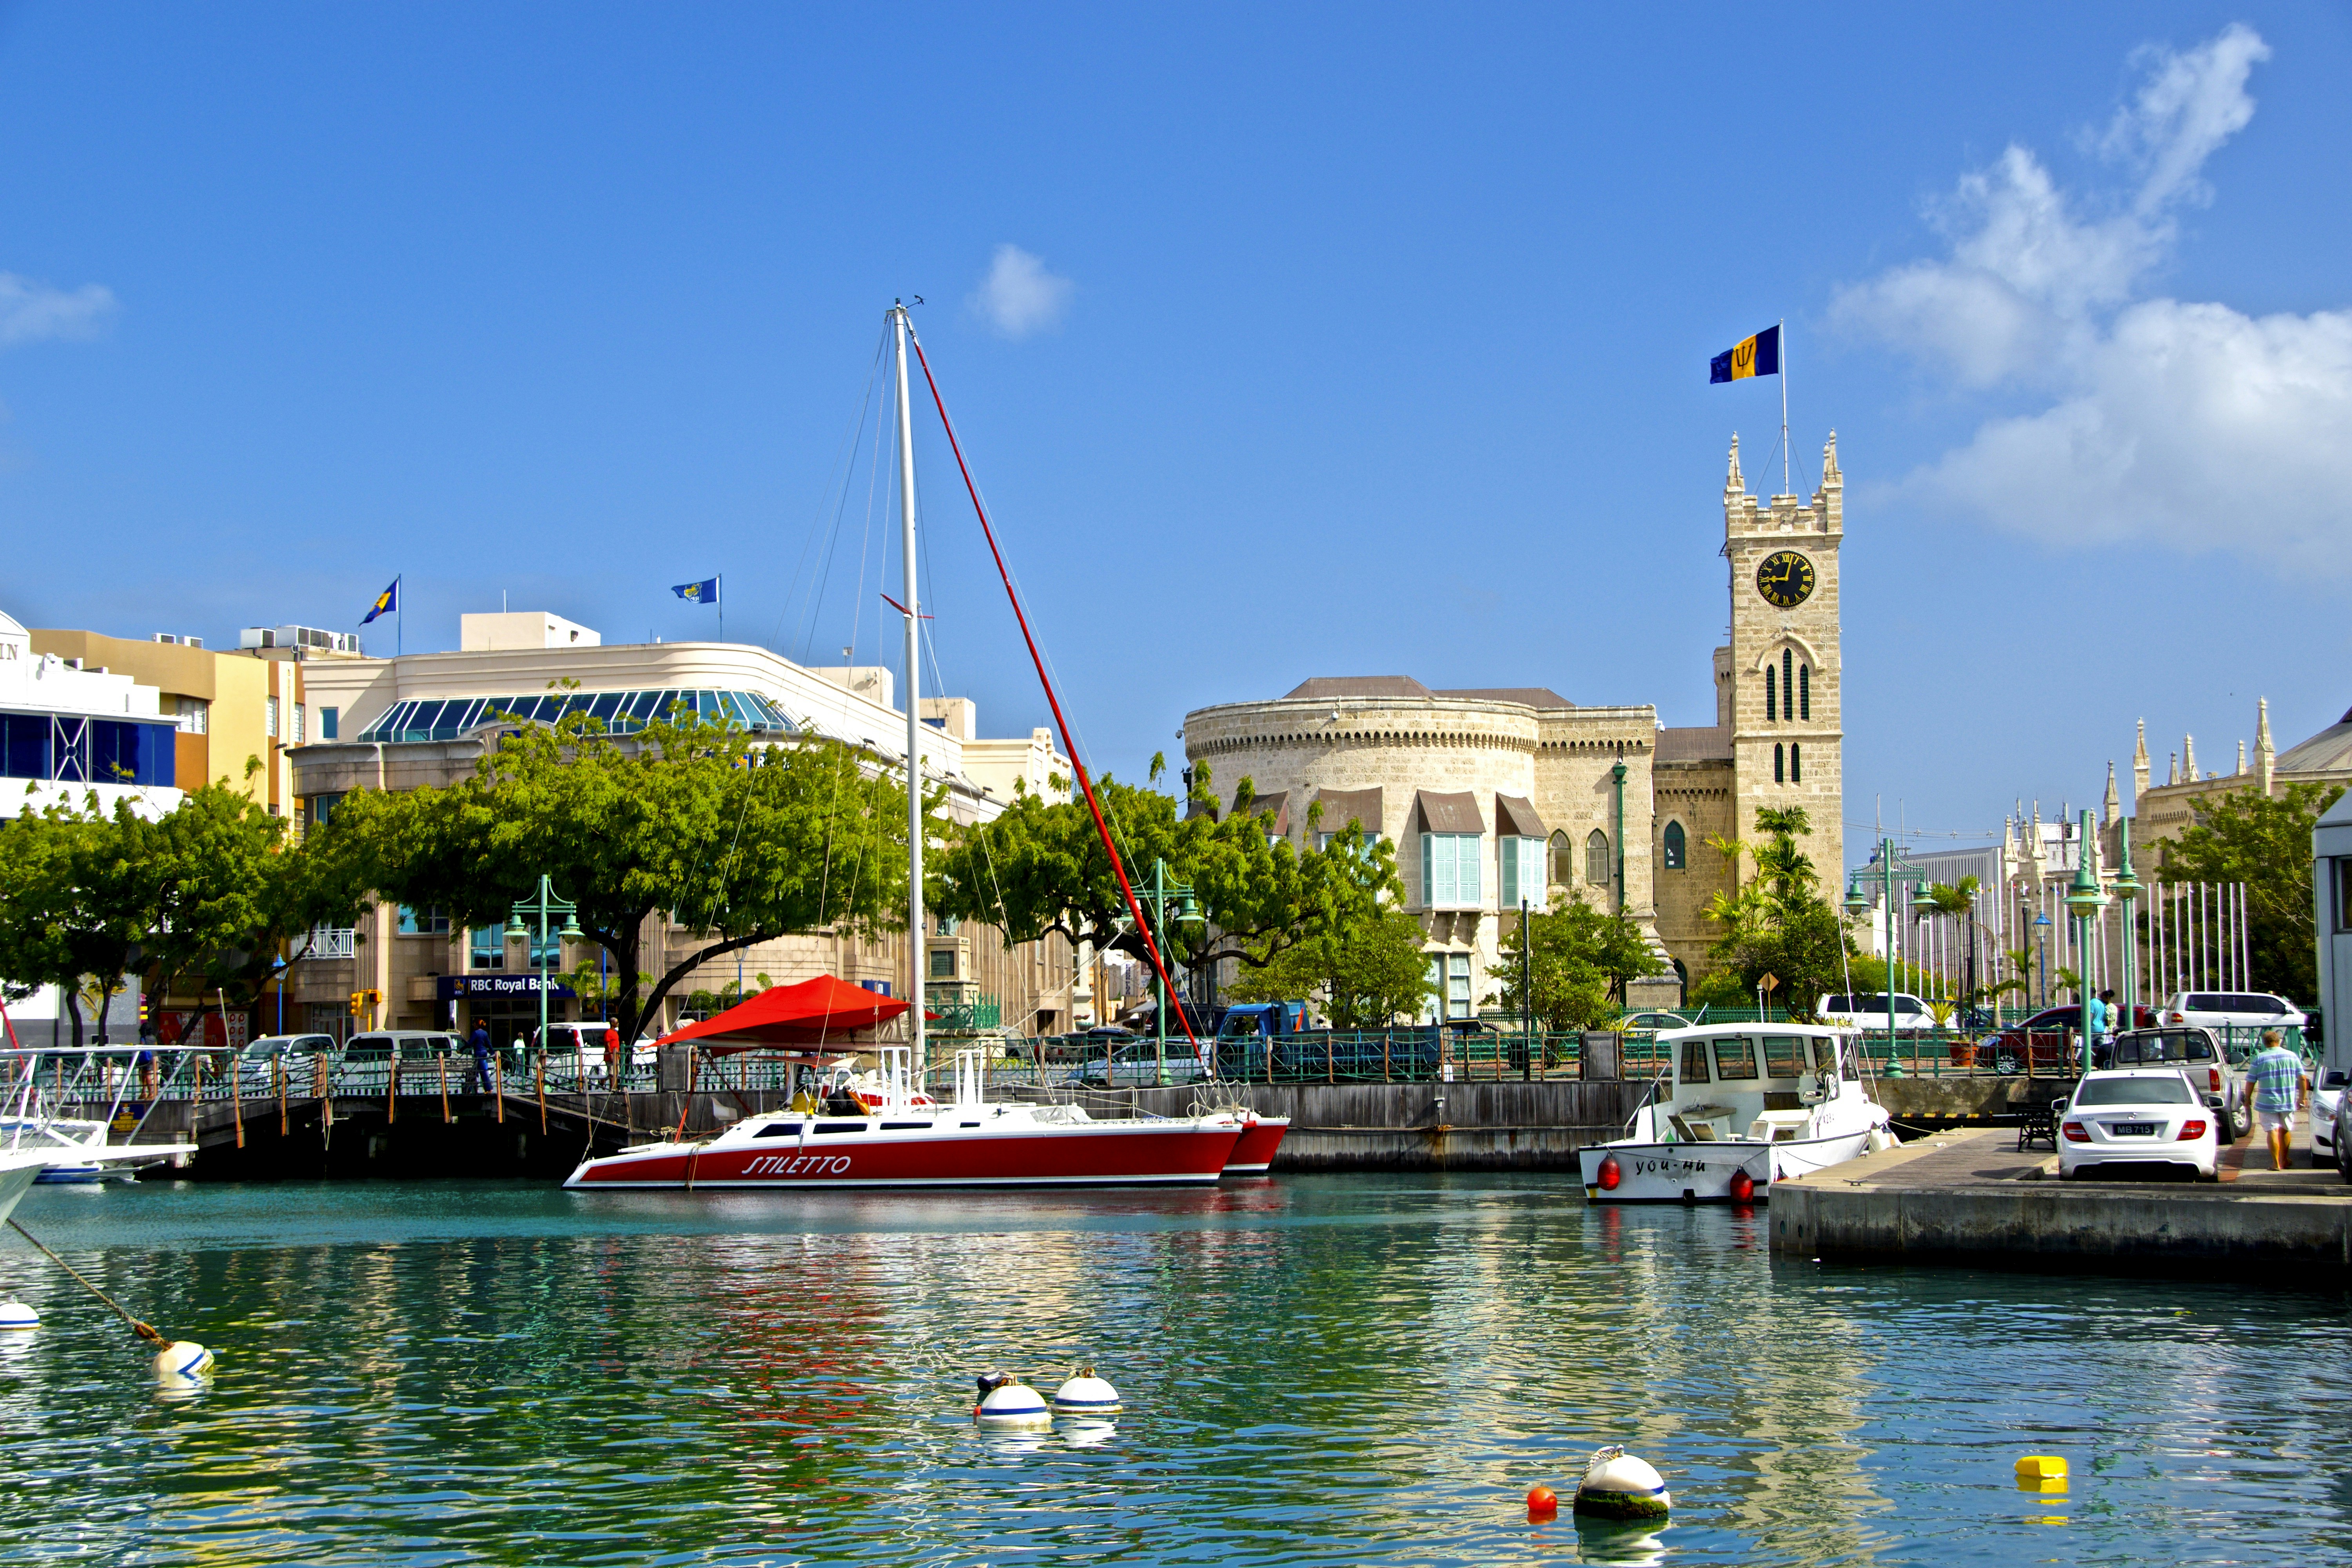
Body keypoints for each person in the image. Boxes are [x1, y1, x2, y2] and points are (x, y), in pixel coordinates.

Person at [2242, 1029, 2308, 1171]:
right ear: (2278, 1041)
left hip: (2267, 1102)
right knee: (2285, 1129)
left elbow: (2250, 1082)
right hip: (2288, 1101)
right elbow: (2302, 1078)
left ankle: (2276, 1163)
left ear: (2265, 1043)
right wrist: (2302, 1098)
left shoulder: (2259, 1058)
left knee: (2272, 1131)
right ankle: (2284, 1160)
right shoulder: (2292, 1056)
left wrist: (2247, 1099)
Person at [466, 1020, 494, 1094]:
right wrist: (492, 1052)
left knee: (478, 1072)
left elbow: (469, 1043)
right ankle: (469, 1089)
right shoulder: (485, 1033)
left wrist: (462, 1049)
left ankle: (488, 1089)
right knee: (478, 1071)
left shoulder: (475, 1033)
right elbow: (489, 1043)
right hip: (484, 1053)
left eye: (475, 1024)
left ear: (477, 1025)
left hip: (478, 1053)